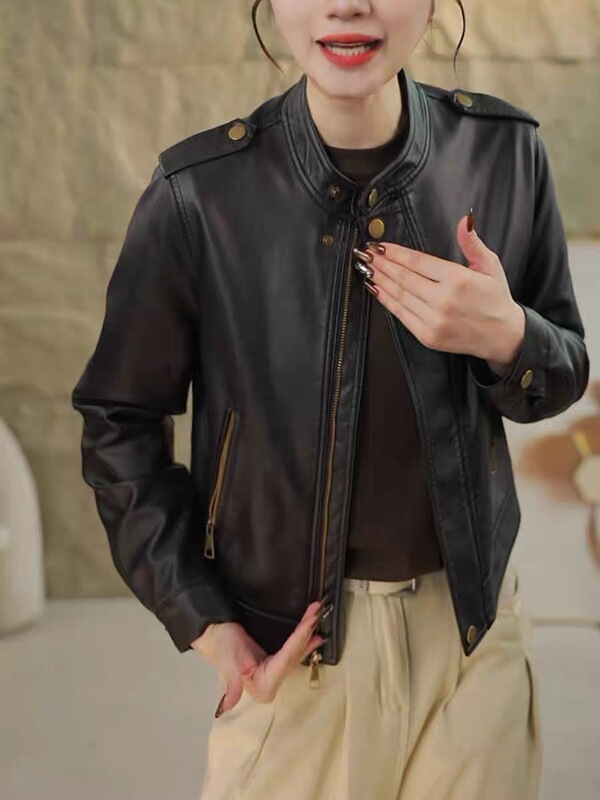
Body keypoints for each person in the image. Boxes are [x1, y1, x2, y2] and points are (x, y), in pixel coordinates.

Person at [71, 1, 590, 798]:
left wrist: (509, 335)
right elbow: (119, 421)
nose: (347, 4)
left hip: (474, 646)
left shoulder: (506, 152)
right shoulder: (197, 193)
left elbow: (561, 372)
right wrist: (207, 623)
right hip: (294, 656)